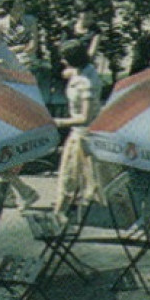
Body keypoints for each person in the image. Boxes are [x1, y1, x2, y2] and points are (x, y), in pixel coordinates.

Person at [54, 43, 104, 212]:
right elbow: (68, 73)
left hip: (84, 136)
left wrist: (59, 122)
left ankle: (58, 216)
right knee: (86, 179)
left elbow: (85, 117)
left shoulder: (87, 84)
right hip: (82, 134)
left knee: (68, 178)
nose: (62, 61)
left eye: (65, 59)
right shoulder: (84, 69)